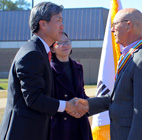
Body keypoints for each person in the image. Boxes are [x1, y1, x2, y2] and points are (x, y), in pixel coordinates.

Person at [73, 8, 142, 140]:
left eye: (114, 25)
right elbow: (121, 96)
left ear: (128, 25)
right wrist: (89, 105)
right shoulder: (132, 54)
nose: (112, 30)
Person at [0, 2, 86, 140]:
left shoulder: (40, 51)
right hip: (23, 133)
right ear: (43, 24)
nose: (62, 26)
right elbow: (33, 98)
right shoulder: (32, 54)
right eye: (58, 20)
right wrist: (67, 106)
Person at [49, 32, 93, 140]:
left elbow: (81, 92)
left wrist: (85, 105)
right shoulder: (49, 69)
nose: (65, 45)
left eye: (67, 42)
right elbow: (48, 99)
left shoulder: (78, 67)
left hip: (80, 122)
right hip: (60, 125)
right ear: (52, 49)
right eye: (60, 43)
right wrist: (69, 108)